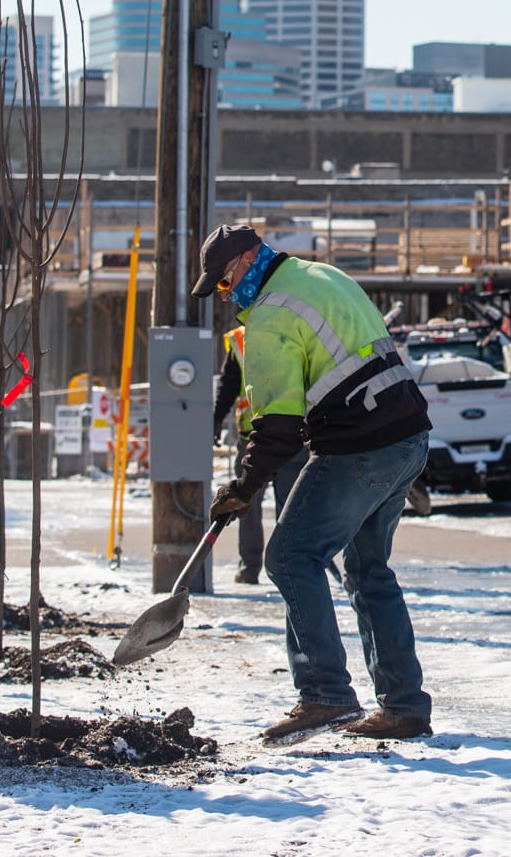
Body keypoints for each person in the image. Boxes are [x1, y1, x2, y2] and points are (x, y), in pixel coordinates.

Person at [197, 224, 435, 742]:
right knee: (368, 570)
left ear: (243, 262)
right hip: (407, 433)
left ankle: (324, 692)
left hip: (359, 443)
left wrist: (244, 486)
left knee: (288, 556)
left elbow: (277, 426)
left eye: (222, 282)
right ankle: (404, 706)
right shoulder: (322, 275)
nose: (226, 293)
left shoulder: (271, 313)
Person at [210, 324, 306, 585]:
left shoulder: (241, 339)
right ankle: (288, 566)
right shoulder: (293, 328)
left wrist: (216, 420)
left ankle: (252, 567)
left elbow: (227, 387)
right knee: (288, 507)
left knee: (245, 502)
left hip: (257, 437)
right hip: (290, 436)